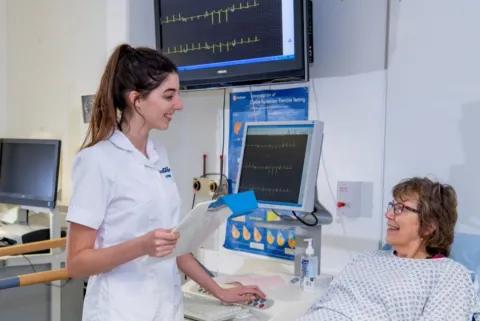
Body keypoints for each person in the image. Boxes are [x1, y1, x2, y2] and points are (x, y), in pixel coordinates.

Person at [65, 44, 265, 321]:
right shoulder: (96, 161)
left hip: (166, 307)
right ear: (137, 100)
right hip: (119, 311)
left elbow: (174, 246)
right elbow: (76, 264)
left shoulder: (159, 155)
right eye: (168, 96)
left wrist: (219, 291)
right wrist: (142, 246)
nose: (179, 105)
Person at [298, 177, 479, 321]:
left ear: (429, 225)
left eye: (400, 209)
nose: (388, 214)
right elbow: (323, 304)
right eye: (392, 206)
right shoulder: (368, 257)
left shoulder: (449, 274)